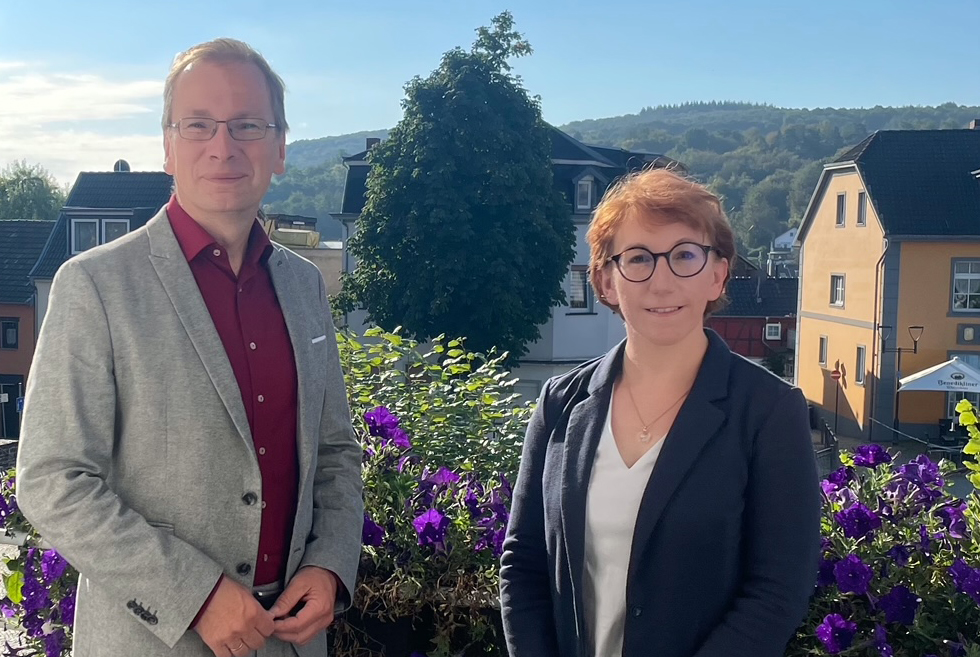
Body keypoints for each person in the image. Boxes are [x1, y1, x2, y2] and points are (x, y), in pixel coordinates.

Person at [16, 38, 363, 657]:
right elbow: (52, 480)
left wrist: (331, 565)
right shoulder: (94, 285)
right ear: (168, 146)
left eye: (248, 125)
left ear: (281, 148)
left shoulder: (305, 284)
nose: (223, 146)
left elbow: (334, 450)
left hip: (292, 639)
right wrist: (196, 595)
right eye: (198, 124)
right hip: (154, 640)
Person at [499, 168, 820, 657]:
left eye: (685, 255)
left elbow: (778, 589)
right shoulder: (561, 404)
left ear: (718, 275)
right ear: (606, 280)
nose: (662, 281)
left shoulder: (769, 411)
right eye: (639, 259)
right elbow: (523, 565)